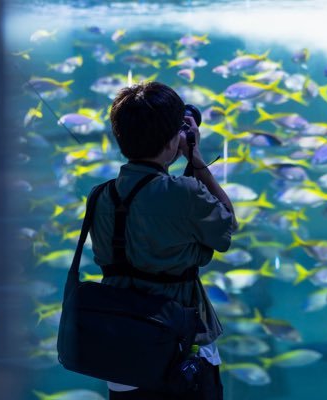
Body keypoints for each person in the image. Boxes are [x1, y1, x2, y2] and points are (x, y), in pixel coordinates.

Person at [89, 81, 238, 400]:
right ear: (175, 139)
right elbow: (226, 227)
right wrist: (196, 160)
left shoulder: (100, 196)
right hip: (181, 350)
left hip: (120, 349)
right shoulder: (184, 192)